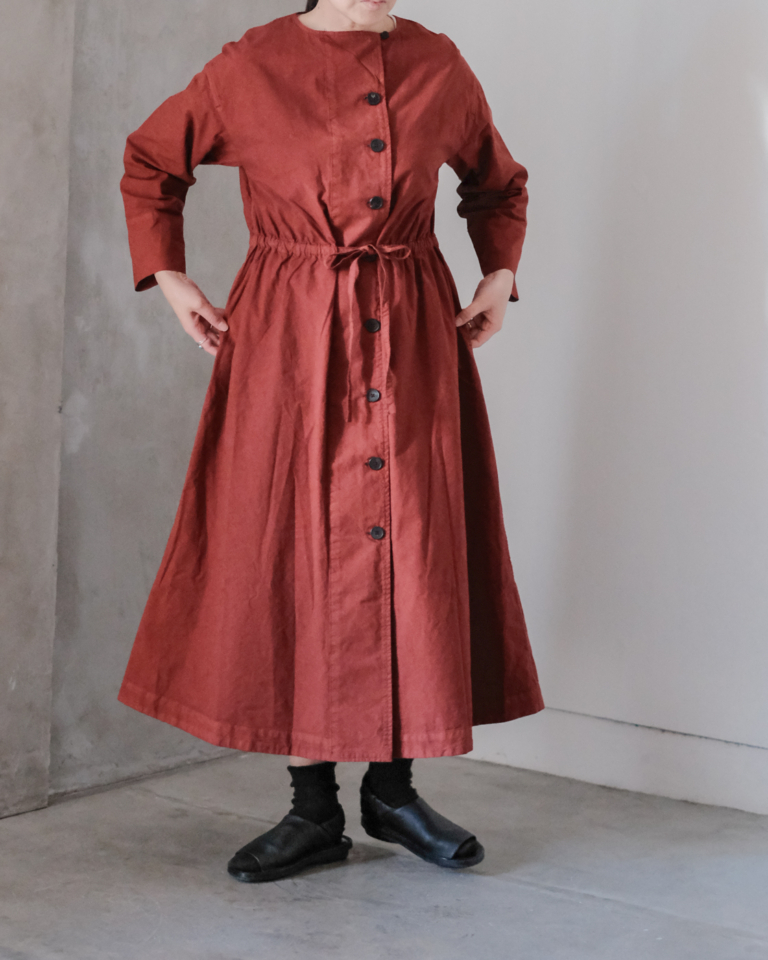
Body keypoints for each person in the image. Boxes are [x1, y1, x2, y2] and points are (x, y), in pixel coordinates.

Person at [118, 0, 545, 883]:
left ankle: (392, 790)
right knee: (294, 546)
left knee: (409, 543)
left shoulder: (438, 63)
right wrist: (169, 275)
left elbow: (497, 182)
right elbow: (152, 160)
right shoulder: (251, 63)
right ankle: (312, 808)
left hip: (412, 329)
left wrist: (498, 276)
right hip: (290, 334)